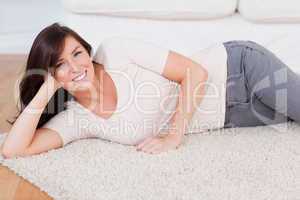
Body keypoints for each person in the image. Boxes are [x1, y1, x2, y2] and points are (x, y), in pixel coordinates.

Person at [1, 22, 299, 159]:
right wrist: (47, 87)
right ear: (52, 74)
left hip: (239, 69)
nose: (77, 67)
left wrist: (173, 136)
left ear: (87, 50)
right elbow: (13, 150)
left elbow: (195, 71)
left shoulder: (116, 51)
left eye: (77, 53)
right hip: (233, 115)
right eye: (61, 64)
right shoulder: (76, 119)